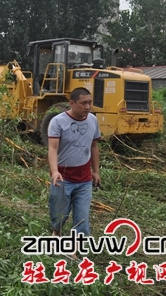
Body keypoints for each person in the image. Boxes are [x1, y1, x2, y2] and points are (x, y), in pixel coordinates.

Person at [48, 87, 101, 251]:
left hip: (84, 179)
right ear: (72, 103)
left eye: (90, 103)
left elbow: (94, 146)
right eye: (83, 103)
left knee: (82, 218)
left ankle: (72, 250)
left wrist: (96, 171)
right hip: (63, 178)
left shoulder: (92, 120)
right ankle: (56, 233)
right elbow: (52, 149)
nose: (87, 106)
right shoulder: (58, 121)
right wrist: (54, 171)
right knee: (59, 215)